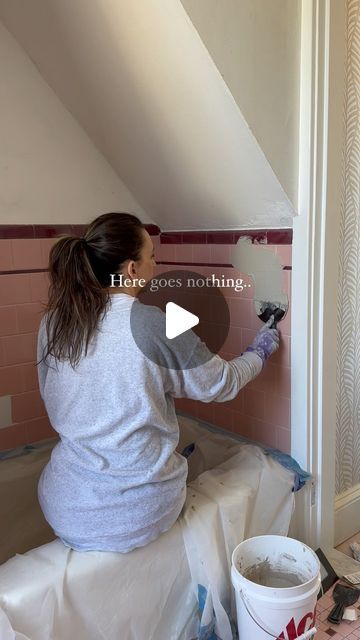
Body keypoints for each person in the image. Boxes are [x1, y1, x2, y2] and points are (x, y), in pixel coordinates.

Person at [36, 212, 279, 553]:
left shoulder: (56, 320)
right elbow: (221, 383)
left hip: (64, 504)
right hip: (135, 513)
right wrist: (259, 351)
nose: (156, 262)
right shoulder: (152, 323)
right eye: (151, 255)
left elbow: (64, 395)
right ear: (132, 269)